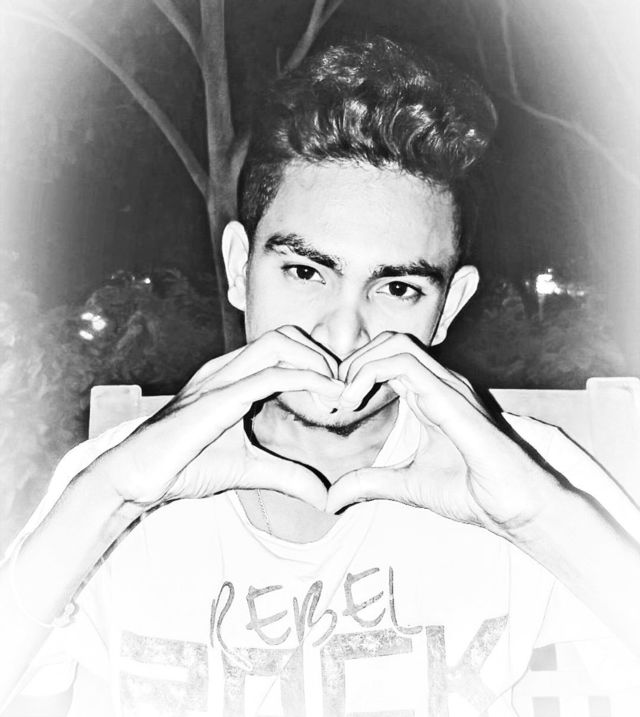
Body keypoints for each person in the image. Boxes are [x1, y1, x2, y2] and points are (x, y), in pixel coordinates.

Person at [1, 38, 639, 717]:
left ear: (449, 306)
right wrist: (108, 497)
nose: (341, 334)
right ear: (240, 268)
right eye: (306, 272)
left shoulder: (529, 473)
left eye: (397, 288)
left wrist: (540, 519)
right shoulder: (110, 484)